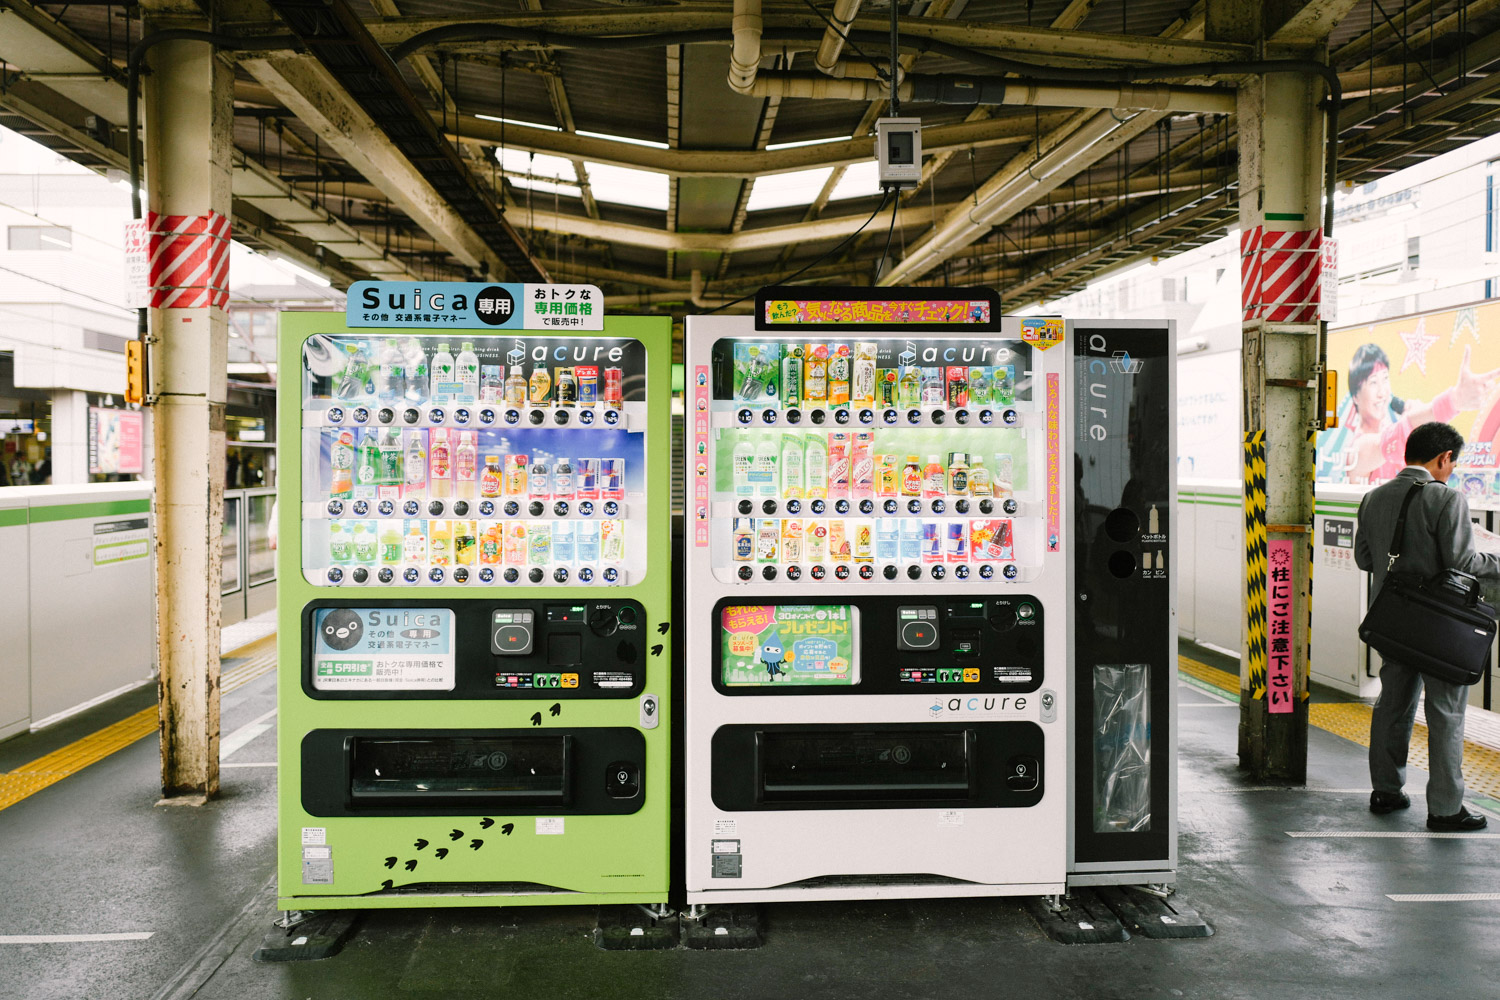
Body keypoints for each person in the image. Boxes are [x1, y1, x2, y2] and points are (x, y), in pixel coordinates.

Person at [1355, 421, 1500, 830]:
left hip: (1393, 621)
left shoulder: (1372, 498)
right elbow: (1463, 563)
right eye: (1452, 462)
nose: (1451, 470)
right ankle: (1445, 808)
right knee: (1446, 713)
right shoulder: (1446, 499)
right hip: (1439, 627)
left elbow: (1366, 559)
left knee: (1393, 704)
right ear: (1443, 458)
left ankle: (1386, 790)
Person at [1336, 343, 1500, 484]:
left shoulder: (1400, 426)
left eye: (1385, 379)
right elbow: (1385, 443)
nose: (1382, 392)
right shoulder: (1358, 448)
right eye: (1373, 382)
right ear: (1355, 396)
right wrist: (1453, 401)